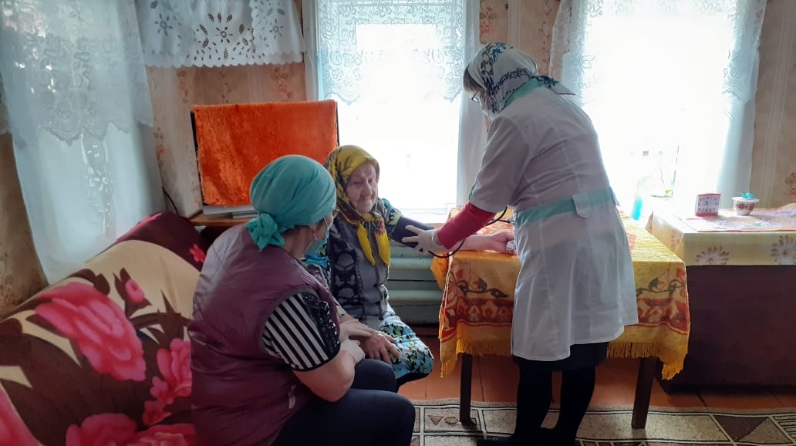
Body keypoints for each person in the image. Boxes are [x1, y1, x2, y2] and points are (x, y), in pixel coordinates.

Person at [403, 43, 638, 446]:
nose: (481, 102)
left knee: (537, 355)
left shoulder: (515, 118)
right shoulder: (564, 104)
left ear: (493, 84)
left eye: (478, 93)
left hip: (562, 248)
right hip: (603, 236)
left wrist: (437, 240)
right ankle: (563, 437)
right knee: (583, 348)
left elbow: (483, 205)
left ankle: (524, 441)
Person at [189, 155, 415, 446]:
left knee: (380, 374)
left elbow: (270, 332)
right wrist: (352, 347)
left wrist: (342, 330)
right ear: (317, 224)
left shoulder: (237, 238)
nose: (332, 219)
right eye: (331, 211)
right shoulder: (285, 294)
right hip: (251, 427)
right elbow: (333, 385)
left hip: (251, 383)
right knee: (398, 413)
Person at [306, 144, 515, 386]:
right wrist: (360, 334)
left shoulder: (380, 211)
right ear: (338, 185)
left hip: (380, 313)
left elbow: (433, 239)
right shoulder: (326, 225)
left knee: (419, 358)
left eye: (371, 180)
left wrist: (488, 241)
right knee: (384, 368)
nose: (368, 191)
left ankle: (378, 396)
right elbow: (319, 293)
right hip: (344, 322)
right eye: (357, 183)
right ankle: (370, 397)